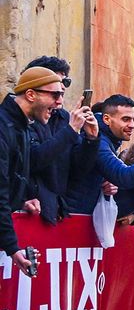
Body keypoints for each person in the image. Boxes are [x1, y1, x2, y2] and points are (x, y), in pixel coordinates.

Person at [0, 67, 65, 272]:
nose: (60, 102)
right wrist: (12, 247)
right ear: (30, 94)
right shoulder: (5, 127)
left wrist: (21, 199)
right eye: (55, 94)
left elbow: (14, 176)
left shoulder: (21, 127)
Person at [24, 56, 100, 224]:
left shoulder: (64, 118)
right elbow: (34, 159)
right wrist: (71, 130)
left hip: (57, 211)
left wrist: (91, 139)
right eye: (54, 93)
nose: (59, 100)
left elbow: (78, 169)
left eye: (61, 93)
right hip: (29, 210)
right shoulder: (23, 120)